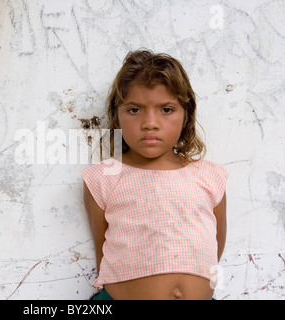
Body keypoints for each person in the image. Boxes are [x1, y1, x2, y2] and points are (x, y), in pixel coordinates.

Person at [82, 49, 228, 300]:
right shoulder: (103, 178)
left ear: (187, 116)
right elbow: (103, 255)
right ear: (117, 116)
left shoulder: (209, 176)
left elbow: (215, 245)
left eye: (167, 109)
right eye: (135, 110)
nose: (150, 122)